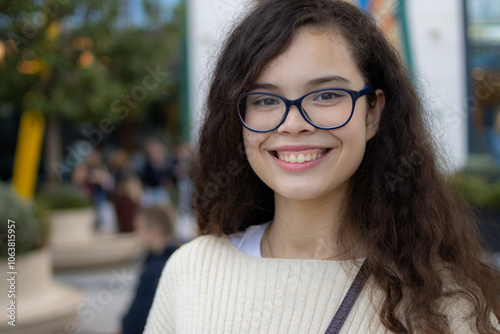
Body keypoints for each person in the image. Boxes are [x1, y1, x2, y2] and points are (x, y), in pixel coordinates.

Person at [145, 1, 500, 333]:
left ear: (373, 112)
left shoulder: (446, 302)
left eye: (326, 94)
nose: (293, 123)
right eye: (265, 99)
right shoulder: (191, 271)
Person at [121, 204, 179, 334]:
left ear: (155, 231)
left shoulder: (155, 269)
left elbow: (136, 318)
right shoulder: (177, 255)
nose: (136, 234)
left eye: (139, 229)